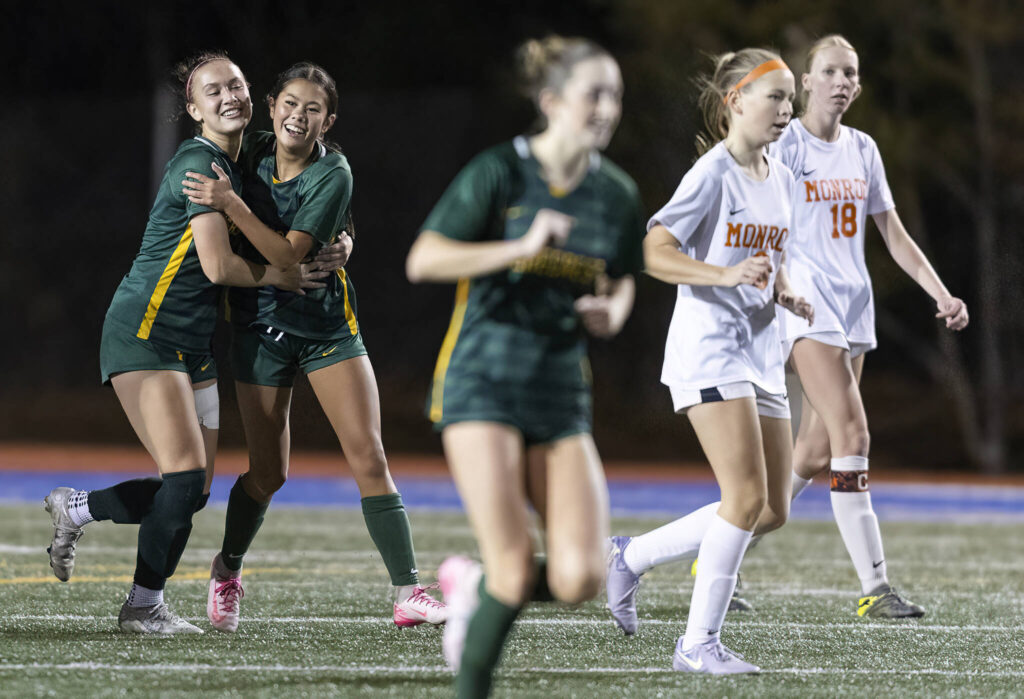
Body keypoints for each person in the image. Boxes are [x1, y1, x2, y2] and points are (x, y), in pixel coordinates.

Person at [43, 52, 315, 634]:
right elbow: (217, 266)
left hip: (192, 344)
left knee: (188, 494)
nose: (229, 95)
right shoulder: (201, 161)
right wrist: (277, 274)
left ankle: (78, 507)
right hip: (146, 329)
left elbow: (322, 169)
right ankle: (142, 607)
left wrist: (342, 237)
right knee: (186, 477)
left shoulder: (253, 158)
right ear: (193, 110)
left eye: (237, 84)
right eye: (212, 90)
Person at [406, 36, 643, 698]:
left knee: (580, 578)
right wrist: (518, 246)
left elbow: (623, 277)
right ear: (550, 101)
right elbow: (424, 259)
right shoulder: (499, 172)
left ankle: (473, 585)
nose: (607, 107)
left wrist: (615, 310)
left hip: (560, 391)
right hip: (482, 381)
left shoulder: (616, 193)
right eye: (594, 92)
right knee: (515, 566)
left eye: (616, 94)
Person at [182, 62, 446, 634]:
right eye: (290, 104)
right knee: (268, 473)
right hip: (258, 331)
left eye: (313, 109)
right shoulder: (244, 151)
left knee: (369, 455)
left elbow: (287, 257)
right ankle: (226, 568)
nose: (298, 116)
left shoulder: (335, 172)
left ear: (328, 121)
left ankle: (408, 592)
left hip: (327, 330)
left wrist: (236, 207)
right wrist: (345, 236)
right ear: (271, 105)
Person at [606, 48, 813, 674]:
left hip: (760, 353)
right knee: (744, 497)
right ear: (735, 102)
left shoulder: (779, 174)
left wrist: (781, 288)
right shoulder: (712, 173)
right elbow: (653, 251)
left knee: (770, 509)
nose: (786, 108)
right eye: (774, 96)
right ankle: (697, 645)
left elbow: (767, 257)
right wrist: (725, 275)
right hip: (710, 351)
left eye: (789, 98)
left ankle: (630, 557)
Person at [767, 34, 968, 616]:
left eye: (850, 73)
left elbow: (894, 235)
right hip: (807, 306)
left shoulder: (862, 149)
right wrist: (773, 287)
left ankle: (715, 548)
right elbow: (760, 221)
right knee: (854, 437)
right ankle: (875, 588)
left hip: (854, 307)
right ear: (806, 81)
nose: (841, 82)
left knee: (811, 453)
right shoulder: (788, 146)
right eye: (829, 71)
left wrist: (941, 292)